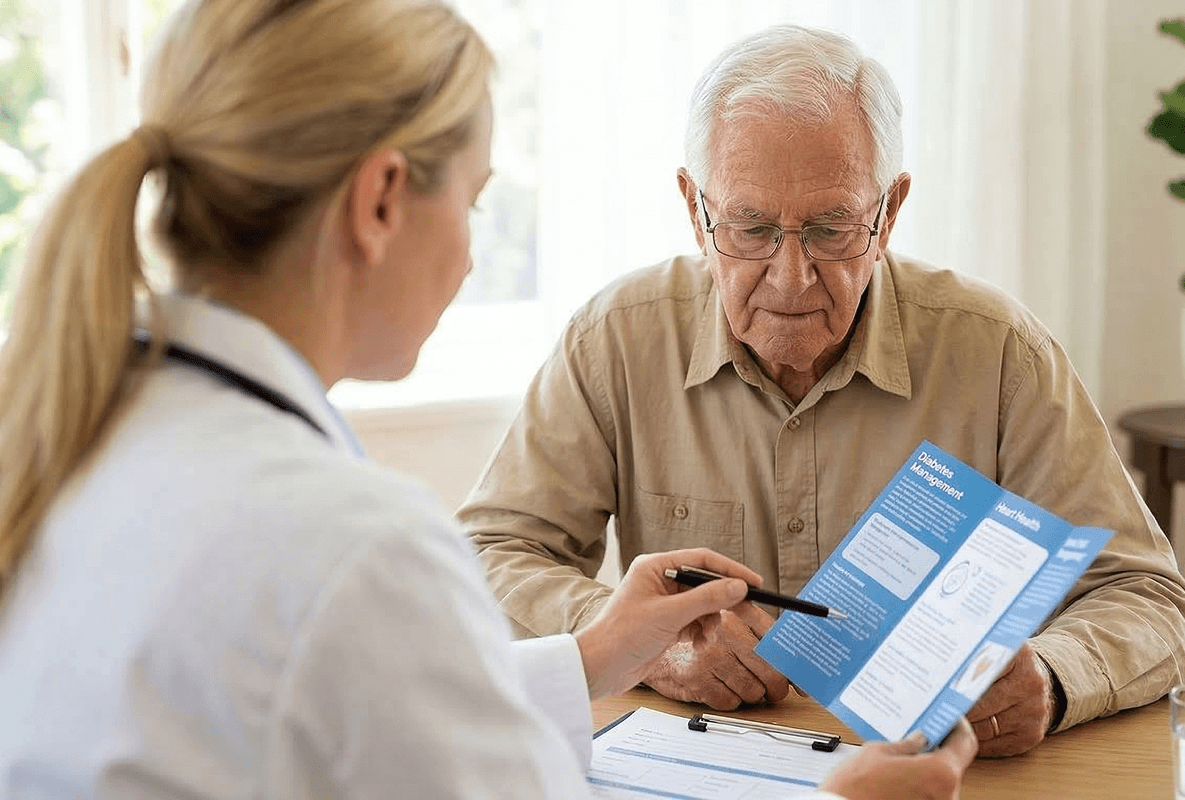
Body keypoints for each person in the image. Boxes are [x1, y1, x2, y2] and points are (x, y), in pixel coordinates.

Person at [0, 2, 977, 798]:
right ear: (378, 201)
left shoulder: (6, 448)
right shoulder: (348, 545)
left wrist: (597, 653)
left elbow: (323, 704)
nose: (467, 258)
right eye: (478, 200)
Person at [459, 22, 1185, 760]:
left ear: (890, 212)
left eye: (832, 229)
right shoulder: (615, 337)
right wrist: (635, 639)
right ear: (694, 209)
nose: (790, 276)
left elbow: (1149, 598)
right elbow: (488, 552)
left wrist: (1055, 677)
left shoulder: (999, 352)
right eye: (751, 228)